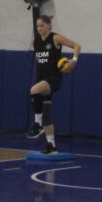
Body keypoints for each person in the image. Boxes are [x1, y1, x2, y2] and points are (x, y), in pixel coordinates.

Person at [27, 15, 81, 154]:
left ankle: (37, 124)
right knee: (47, 115)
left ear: (49, 26)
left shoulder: (55, 38)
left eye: (42, 25)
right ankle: (52, 146)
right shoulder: (36, 41)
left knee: (33, 91)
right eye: (38, 26)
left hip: (53, 79)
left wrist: (74, 60)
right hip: (41, 79)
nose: (39, 28)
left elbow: (76, 46)